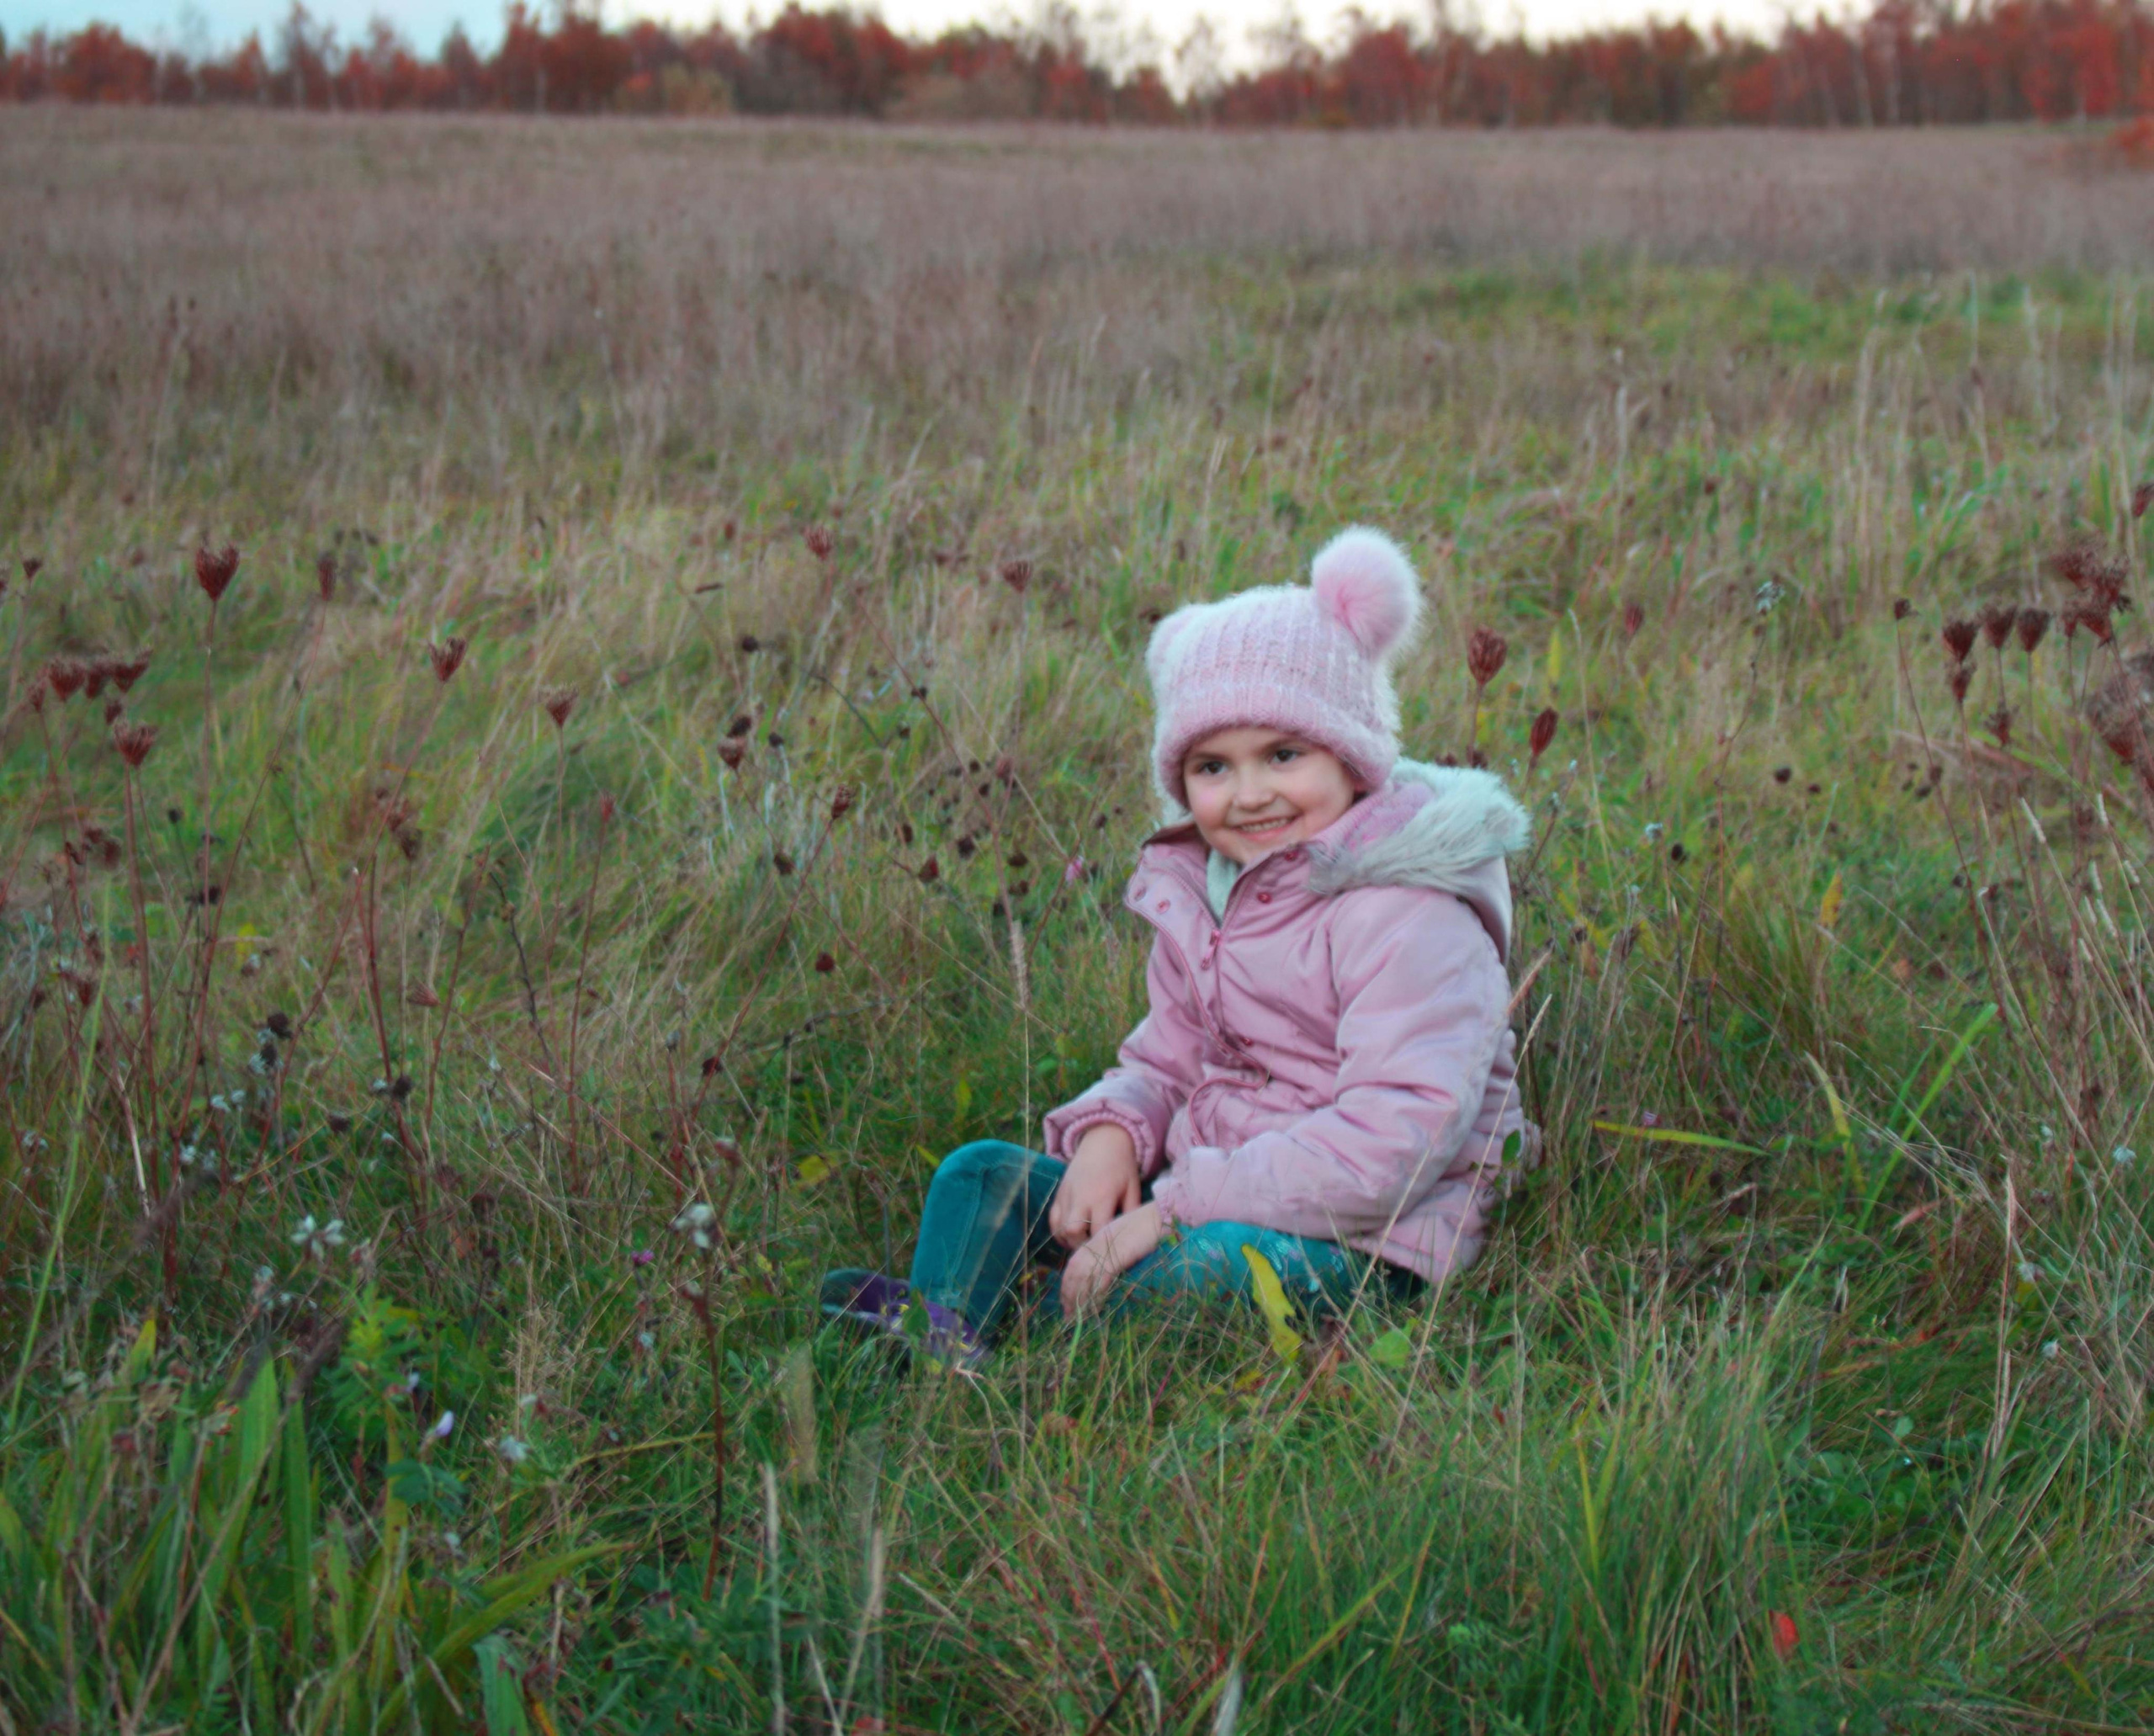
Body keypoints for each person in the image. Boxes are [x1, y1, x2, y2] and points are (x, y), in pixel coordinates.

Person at [820, 527, 1535, 1365]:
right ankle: (948, 1334)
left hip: (1373, 1237)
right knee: (981, 1174)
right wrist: (1111, 1135)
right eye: (1212, 767)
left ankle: (1025, 1337)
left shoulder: (1409, 909)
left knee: (1205, 1273)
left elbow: (1394, 1143)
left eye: (1282, 753)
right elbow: (1166, 1058)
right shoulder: (1210, 889)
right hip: (1212, 1186)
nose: (1250, 794)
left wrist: (1171, 1210)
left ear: (1353, 754)